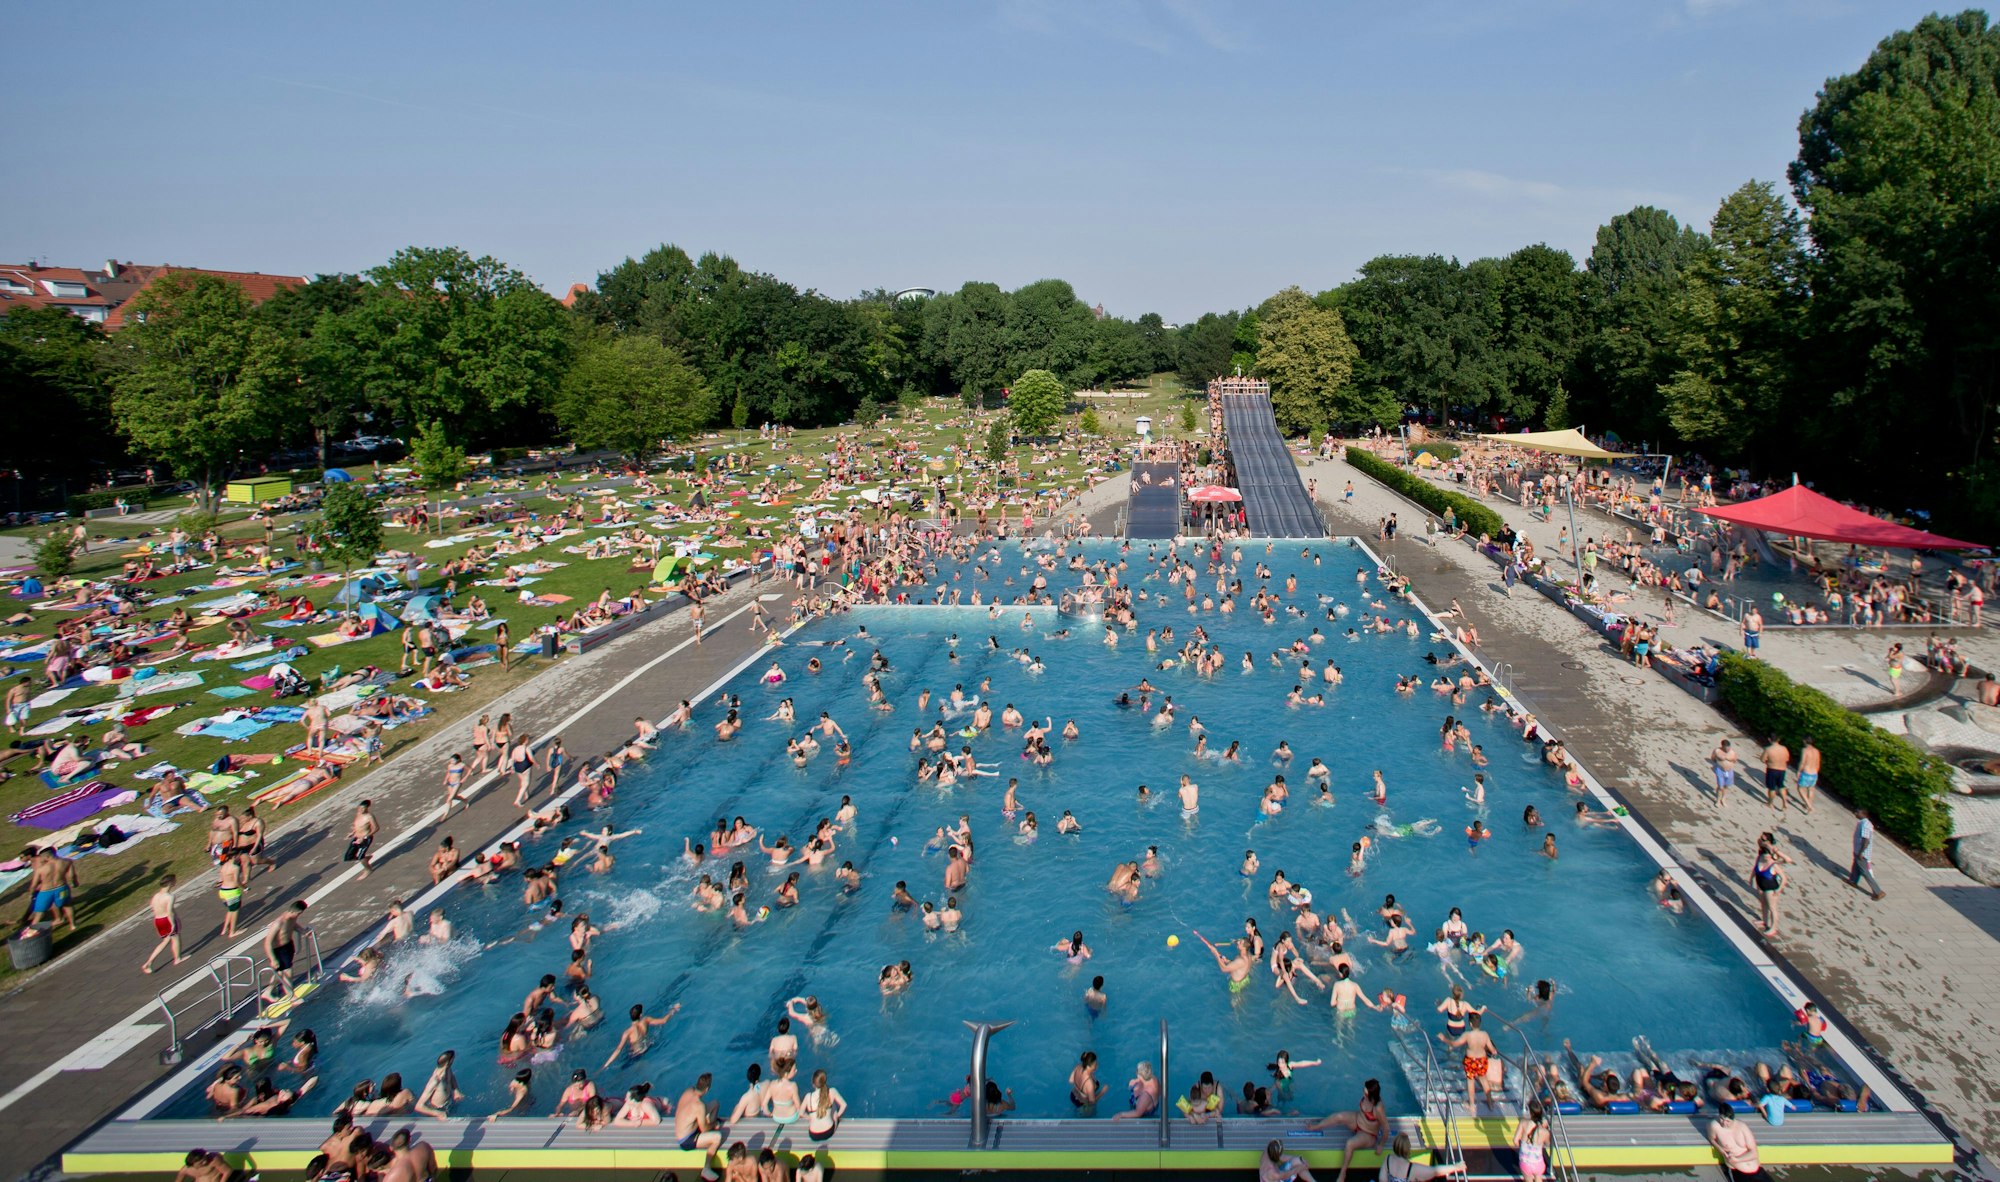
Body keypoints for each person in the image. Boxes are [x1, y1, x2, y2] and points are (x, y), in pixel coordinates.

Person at [1707, 1100, 1769, 1180]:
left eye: (1728, 1121)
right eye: (1722, 1119)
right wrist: (1722, 1150)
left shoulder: (1742, 1127)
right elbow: (1712, 1139)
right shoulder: (1714, 1126)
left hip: (1756, 1170)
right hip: (1737, 1170)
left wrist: (1737, 1159)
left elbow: (1754, 1153)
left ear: (1733, 1119)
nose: (1724, 1123)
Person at [1373, 1131, 1468, 1180]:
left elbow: (1382, 1179)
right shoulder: (1411, 1168)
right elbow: (1435, 1171)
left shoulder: (1388, 1159)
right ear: (1408, 1149)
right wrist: (1456, 1167)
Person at [140, 874, 184, 974]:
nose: (175, 882)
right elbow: (169, 912)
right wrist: (172, 923)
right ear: (170, 883)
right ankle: (177, 958)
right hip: (166, 920)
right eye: (174, 881)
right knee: (175, 938)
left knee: (165, 941)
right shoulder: (170, 896)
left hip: (158, 920)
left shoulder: (156, 896)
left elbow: (152, 906)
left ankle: (149, 962)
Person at [1849, 808, 1885, 900]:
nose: (1855, 813)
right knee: (1856, 866)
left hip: (1862, 853)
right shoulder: (1863, 822)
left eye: (1857, 812)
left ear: (1863, 814)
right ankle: (1853, 881)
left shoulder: (1865, 825)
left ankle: (1878, 892)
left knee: (1864, 871)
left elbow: (1866, 841)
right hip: (1858, 851)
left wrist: (1861, 852)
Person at [1513, 1098, 1551, 1179]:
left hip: (1525, 1163)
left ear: (1530, 1112)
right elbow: (1548, 1144)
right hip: (1538, 1163)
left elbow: (1515, 1141)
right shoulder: (1544, 1131)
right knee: (1538, 1178)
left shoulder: (1523, 1123)